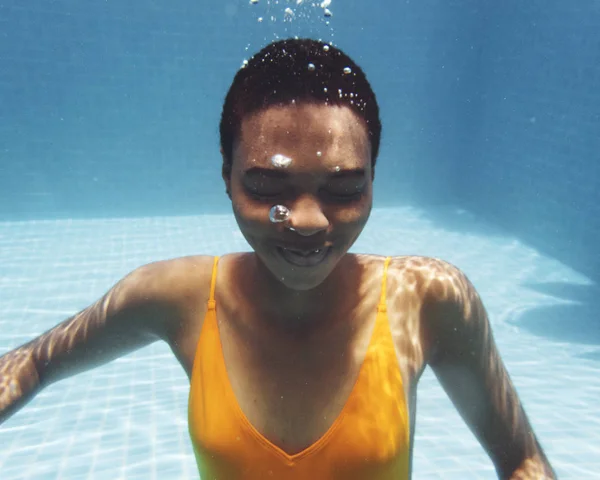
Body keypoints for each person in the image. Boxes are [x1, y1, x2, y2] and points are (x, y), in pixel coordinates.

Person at [0, 38, 555, 479]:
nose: (309, 221)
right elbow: (34, 361)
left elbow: (522, 462)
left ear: (373, 182)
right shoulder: (174, 297)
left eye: (343, 189)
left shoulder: (430, 298)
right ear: (226, 178)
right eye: (268, 186)